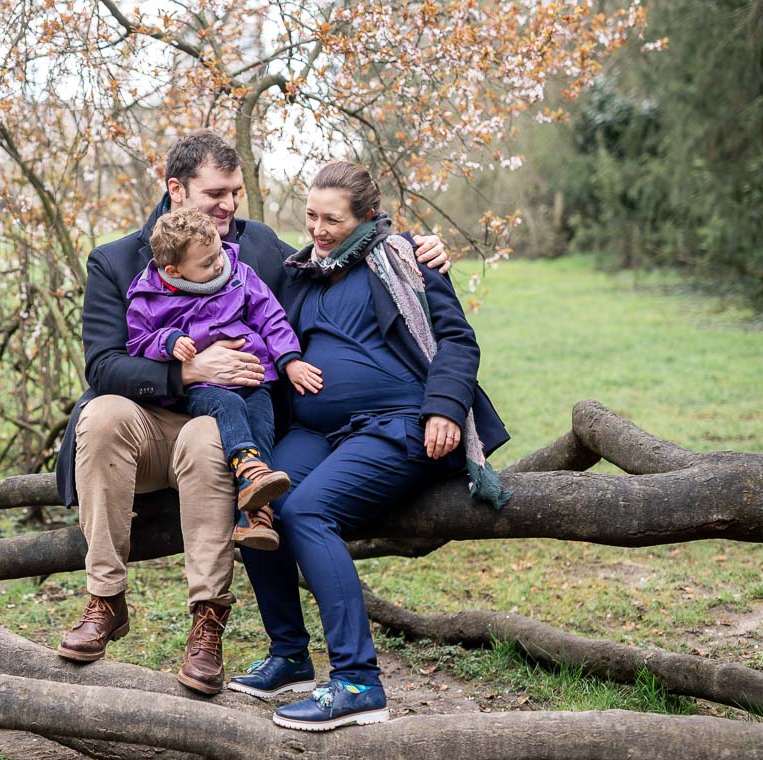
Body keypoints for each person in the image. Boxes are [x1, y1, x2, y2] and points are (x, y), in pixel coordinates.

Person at [54, 131, 449, 696]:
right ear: (176, 190)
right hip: (146, 426)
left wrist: (414, 248)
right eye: (216, 193)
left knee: (213, 438)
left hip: (220, 428)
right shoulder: (117, 262)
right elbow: (103, 365)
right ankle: (104, 599)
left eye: (237, 193)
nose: (229, 206)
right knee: (103, 414)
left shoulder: (258, 248)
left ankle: (207, 624)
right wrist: (187, 370)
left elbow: (335, 252)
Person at [225, 161, 510, 731]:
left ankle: (358, 683)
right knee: (261, 497)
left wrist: (444, 408)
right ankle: (289, 657)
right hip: (314, 431)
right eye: (310, 215)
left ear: (368, 218)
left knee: (308, 511)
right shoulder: (300, 271)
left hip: (398, 423)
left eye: (332, 219)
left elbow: (456, 339)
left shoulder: (405, 259)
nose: (318, 229)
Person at [126, 207, 324, 554]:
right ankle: (248, 470)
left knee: (262, 425)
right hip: (204, 388)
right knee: (228, 405)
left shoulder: (239, 275)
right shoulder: (150, 297)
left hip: (254, 377)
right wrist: (169, 342)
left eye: (218, 252)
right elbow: (138, 342)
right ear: (174, 271)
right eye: (207, 263)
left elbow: (271, 318)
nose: (218, 264)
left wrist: (289, 359)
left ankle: (253, 517)